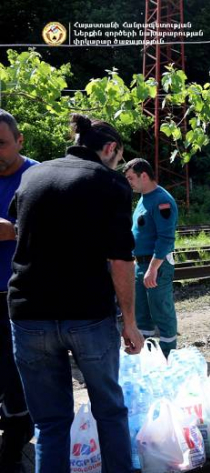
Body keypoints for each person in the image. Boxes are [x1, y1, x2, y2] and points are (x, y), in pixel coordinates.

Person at [8, 114, 144, 473]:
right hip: (87, 315)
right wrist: (130, 322)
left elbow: (17, 227)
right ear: (110, 148)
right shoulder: (110, 184)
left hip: (29, 316)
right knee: (110, 412)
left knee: (50, 424)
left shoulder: (33, 175)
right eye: (118, 156)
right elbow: (120, 259)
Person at [0, 110, 36, 472]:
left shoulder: (37, 177)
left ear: (20, 140)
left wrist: (13, 231)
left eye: (1, 143)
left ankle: (14, 451)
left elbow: (59, 236)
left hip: (20, 298)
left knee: (16, 377)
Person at [123, 158, 179, 357]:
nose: (128, 182)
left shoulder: (162, 200)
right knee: (142, 313)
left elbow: (166, 238)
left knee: (161, 310)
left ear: (144, 175)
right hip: (141, 263)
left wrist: (153, 268)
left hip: (156, 265)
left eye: (131, 178)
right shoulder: (144, 198)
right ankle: (147, 353)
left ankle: (168, 354)